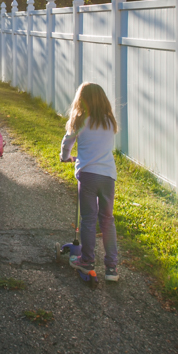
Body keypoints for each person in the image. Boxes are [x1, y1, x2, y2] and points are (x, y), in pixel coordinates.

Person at [59, 82, 120, 282]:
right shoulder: (109, 122)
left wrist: (65, 156)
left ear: (81, 100)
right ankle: (112, 268)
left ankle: (87, 260)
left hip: (87, 174)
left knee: (88, 218)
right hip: (108, 176)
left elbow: (68, 141)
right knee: (107, 220)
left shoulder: (80, 120)